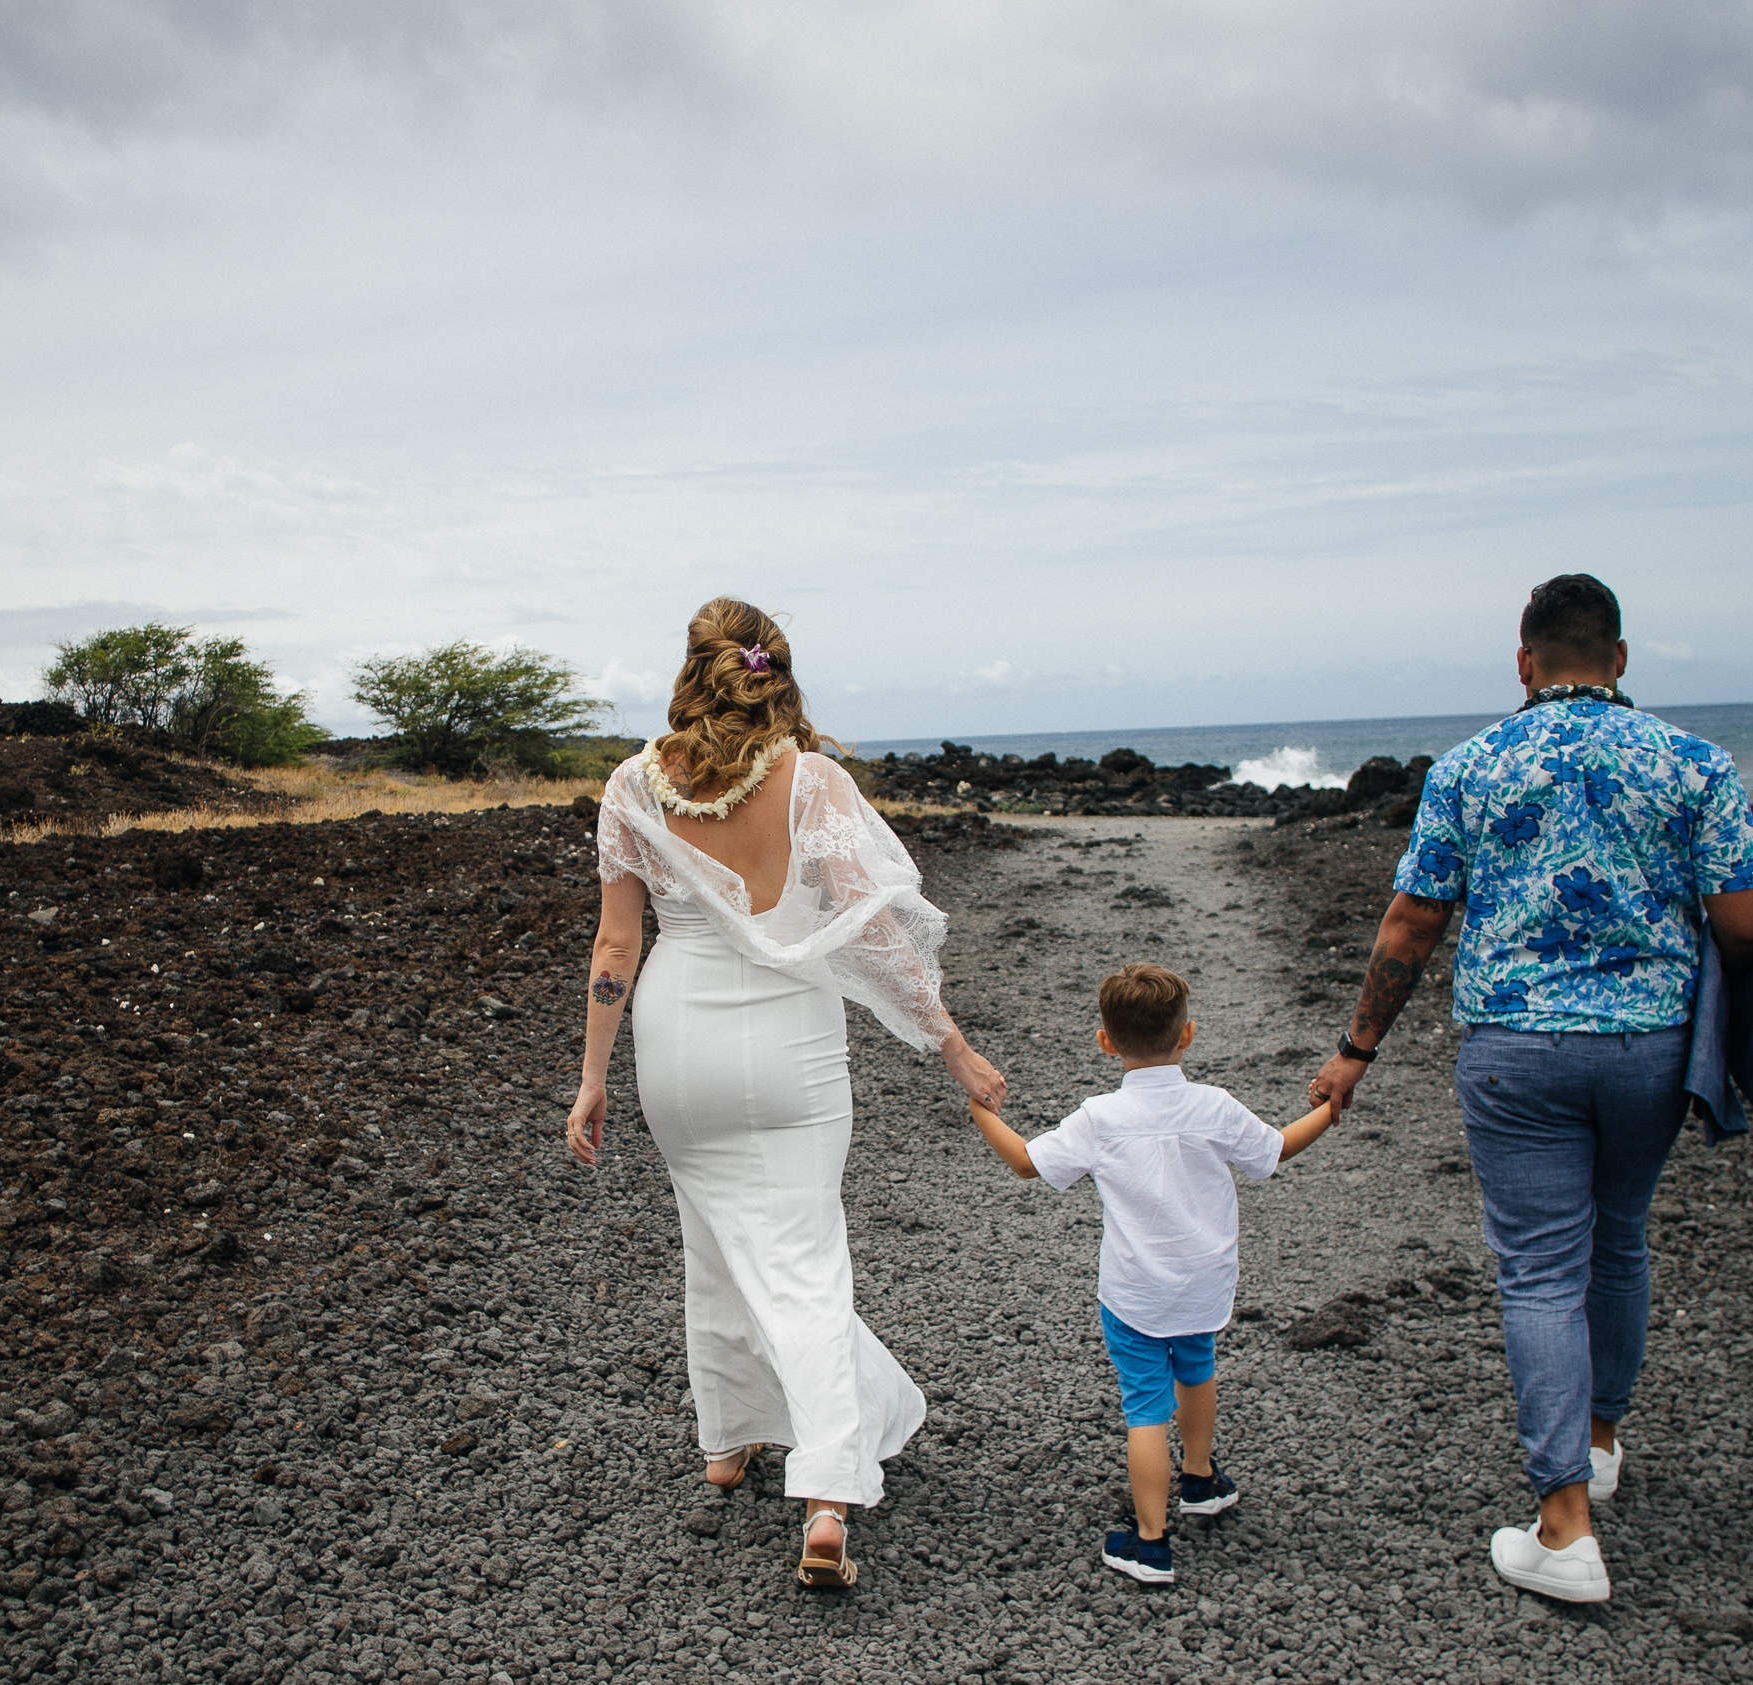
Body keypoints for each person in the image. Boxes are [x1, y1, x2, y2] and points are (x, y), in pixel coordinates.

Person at [1309, 573, 1753, 1603]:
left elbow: (1411, 925)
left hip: (1515, 1051)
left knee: (1536, 1269)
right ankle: (1600, 1440)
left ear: (1523, 662)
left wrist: (1355, 1048)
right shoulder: (1694, 764)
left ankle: (1563, 1525)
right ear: (1619, 658)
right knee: (1618, 1237)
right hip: (1649, 1047)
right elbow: (1747, 927)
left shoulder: (1473, 767)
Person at [567, 597, 1010, 1589]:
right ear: (774, 671)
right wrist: (952, 1046)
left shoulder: (633, 785)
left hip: (676, 1038)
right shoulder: (811, 782)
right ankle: (824, 1489)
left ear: (691, 669)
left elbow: (613, 946)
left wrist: (592, 1075)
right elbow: (874, 933)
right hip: (789, 1045)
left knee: (715, 1238)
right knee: (804, 1259)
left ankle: (728, 1444)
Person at [969, 962, 1336, 1583]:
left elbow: (1030, 1164)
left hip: (1135, 1292)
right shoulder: (1214, 1107)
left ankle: (1151, 1542)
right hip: (1204, 1283)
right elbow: (1274, 1151)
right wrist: (1330, 1110)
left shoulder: (1100, 1118)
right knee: (1197, 1370)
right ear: (1187, 1035)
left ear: (1105, 1042)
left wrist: (982, 1114)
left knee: (1146, 1408)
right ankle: (1199, 1478)